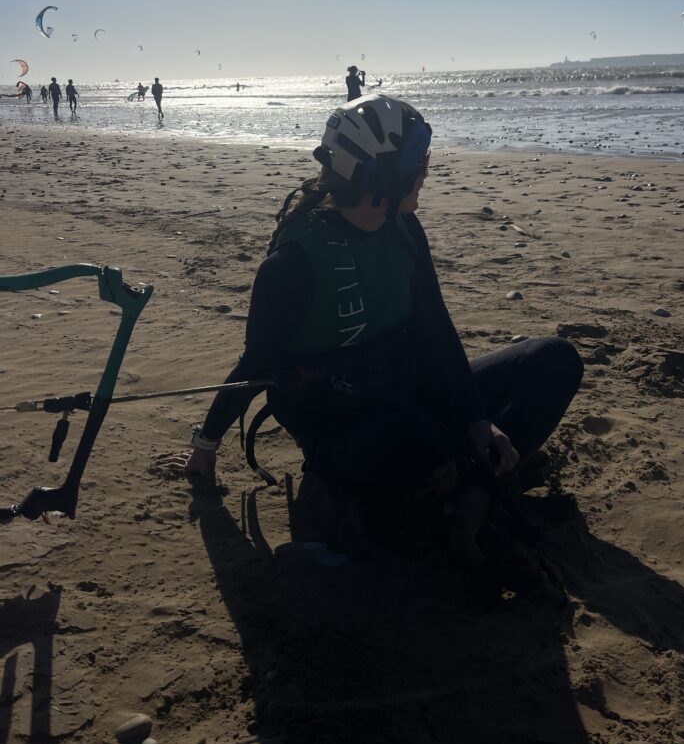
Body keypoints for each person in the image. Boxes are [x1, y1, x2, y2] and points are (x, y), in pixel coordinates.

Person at [183, 94, 583, 574]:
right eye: (419, 165)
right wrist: (205, 448)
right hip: (339, 415)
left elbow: (435, 328)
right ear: (382, 179)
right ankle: (462, 486)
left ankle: (473, 495)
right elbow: (255, 366)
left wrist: (478, 419)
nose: (427, 173)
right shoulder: (293, 264)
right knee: (421, 450)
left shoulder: (405, 229)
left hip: (409, 384)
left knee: (555, 359)